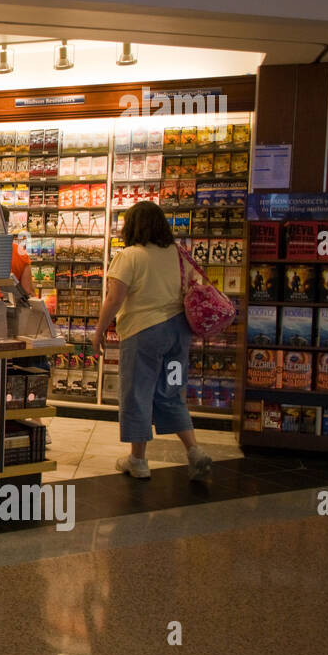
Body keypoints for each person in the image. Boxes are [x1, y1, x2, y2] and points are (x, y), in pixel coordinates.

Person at [91, 200, 212, 481]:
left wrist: (99, 330)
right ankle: (194, 451)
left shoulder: (130, 256)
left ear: (132, 226)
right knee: (171, 392)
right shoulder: (181, 255)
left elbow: (114, 298)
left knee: (138, 393)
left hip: (143, 333)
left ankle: (138, 460)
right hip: (179, 335)